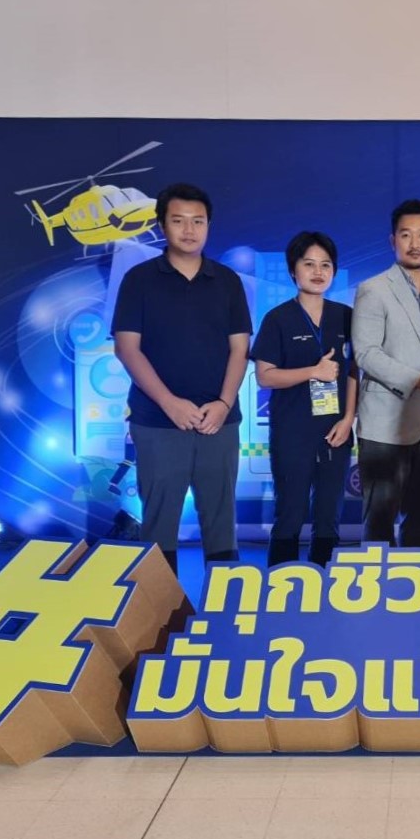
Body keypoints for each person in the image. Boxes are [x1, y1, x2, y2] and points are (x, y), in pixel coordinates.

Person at [111, 183, 250, 571]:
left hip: (218, 422)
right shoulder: (139, 279)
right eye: (178, 220)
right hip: (157, 422)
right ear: (162, 225)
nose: (189, 230)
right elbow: (127, 348)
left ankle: (224, 603)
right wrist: (169, 403)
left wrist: (223, 404)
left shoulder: (227, 281)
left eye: (198, 221)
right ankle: (161, 605)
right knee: (159, 524)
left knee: (221, 523)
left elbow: (240, 349)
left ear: (208, 226)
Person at [352, 199, 420, 547]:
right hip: (384, 424)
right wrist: (419, 380)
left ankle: (416, 579)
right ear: (393, 241)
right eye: (406, 235)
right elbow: (366, 353)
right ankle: (377, 581)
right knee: (380, 520)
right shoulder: (373, 289)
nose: (415, 243)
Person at [252, 231, 357, 567]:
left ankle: (324, 583)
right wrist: (313, 371)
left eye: (325, 265)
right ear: (293, 271)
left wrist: (348, 419)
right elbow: (265, 375)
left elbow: (355, 372)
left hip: (335, 431)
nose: (318, 272)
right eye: (309, 264)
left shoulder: (347, 316)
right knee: (291, 513)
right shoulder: (278, 319)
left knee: (329, 516)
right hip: (292, 432)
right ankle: (279, 584)